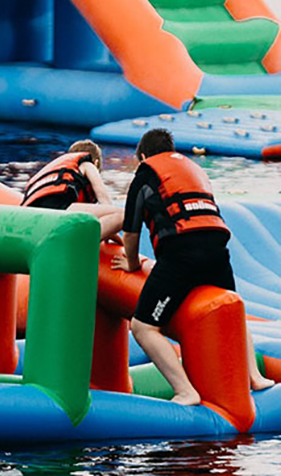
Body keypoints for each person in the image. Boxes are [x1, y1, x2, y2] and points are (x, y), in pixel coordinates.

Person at [111, 128, 274, 405]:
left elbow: (131, 232)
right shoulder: (193, 169)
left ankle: (185, 390)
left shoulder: (145, 174)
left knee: (143, 327)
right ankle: (255, 377)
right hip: (217, 250)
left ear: (143, 156)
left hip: (181, 253)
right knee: (233, 312)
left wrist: (132, 262)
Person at [21, 139, 123, 241]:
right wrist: (115, 228)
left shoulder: (59, 168)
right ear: (96, 163)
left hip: (31, 218)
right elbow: (104, 200)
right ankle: (81, 245)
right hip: (57, 211)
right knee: (122, 214)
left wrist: (112, 233)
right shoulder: (87, 164)